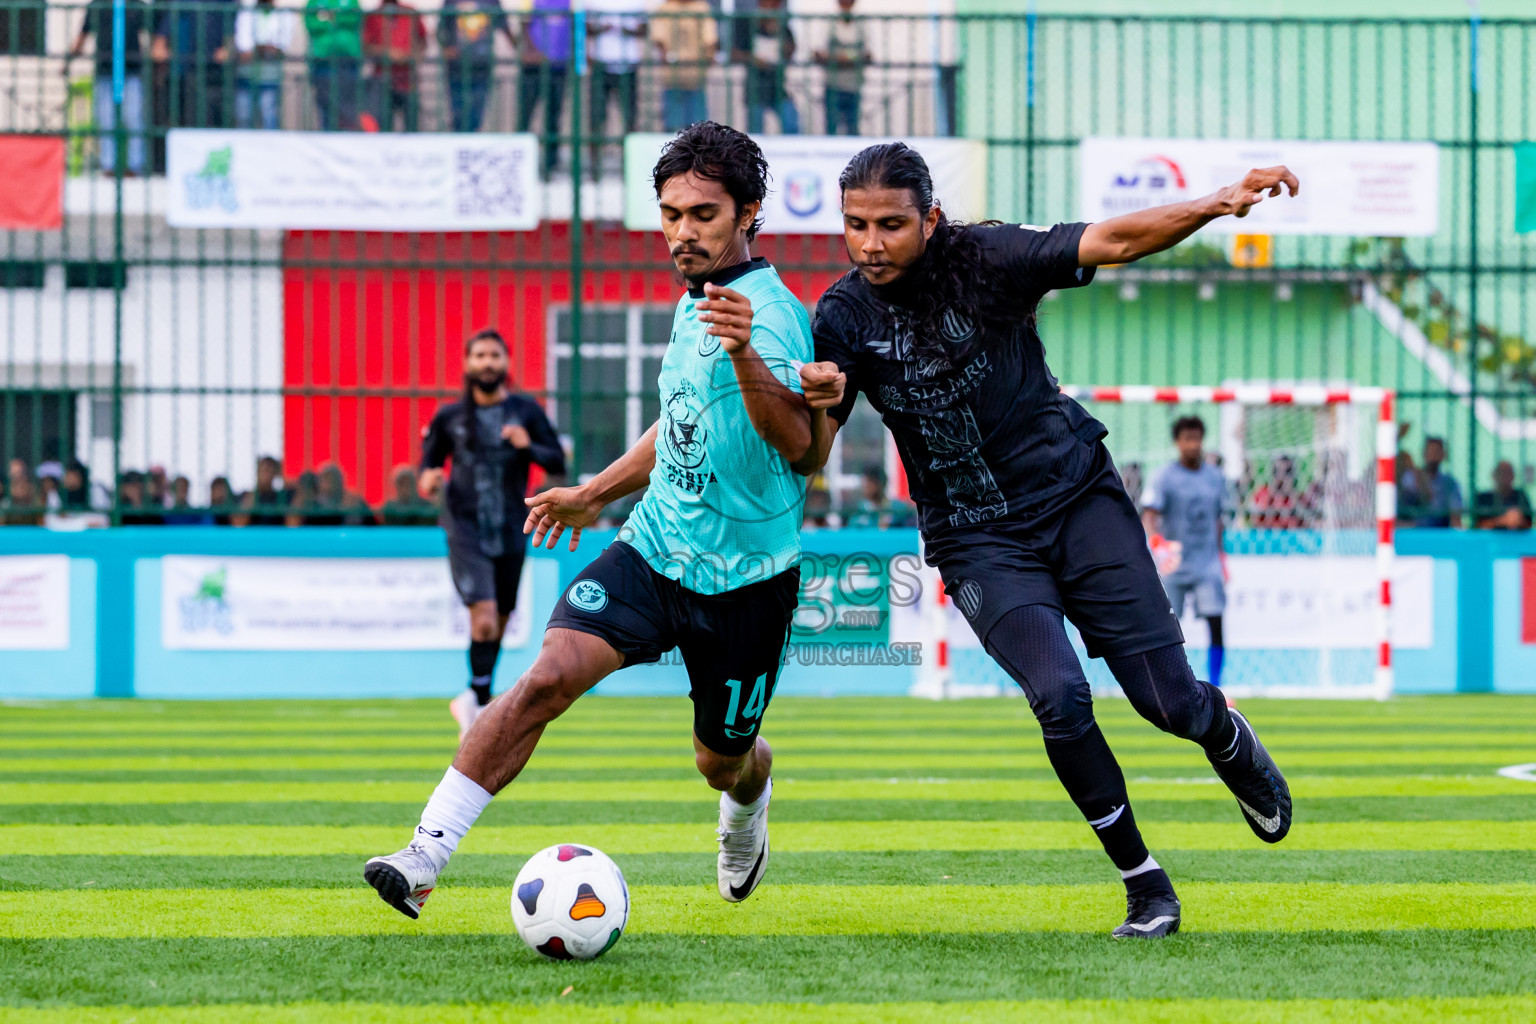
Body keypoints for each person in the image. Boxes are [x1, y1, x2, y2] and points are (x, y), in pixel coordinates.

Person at [796, 142, 1299, 939]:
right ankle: (1145, 887)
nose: (871, 243)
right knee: (1059, 696)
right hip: (976, 538)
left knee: (1166, 702)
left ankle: (1224, 734)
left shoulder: (989, 257)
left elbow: (1110, 240)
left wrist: (1216, 203)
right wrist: (816, 397)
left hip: (1075, 497)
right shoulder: (840, 317)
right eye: (855, 225)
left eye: (891, 224)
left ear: (929, 219)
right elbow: (811, 451)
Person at [365, 122, 813, 922]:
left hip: (748, 583)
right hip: (653, 548)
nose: (682, 232)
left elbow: (798, 448)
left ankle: (749, 802)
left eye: (702, 214)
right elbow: (679, 422)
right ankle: (425, 853)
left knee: (722, 760)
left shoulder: (771, 318)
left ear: (749, 213)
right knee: (545, 678)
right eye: (670, 213)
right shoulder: (694, 302)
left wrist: (746, 354)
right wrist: (597, 491)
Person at [407, 328, 567, 740]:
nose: (487, 363)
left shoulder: (525, 412)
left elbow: (556, 460)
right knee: (482, 622)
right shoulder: (450, 417)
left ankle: (474, 696)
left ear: (506, 363)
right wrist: (427, 479)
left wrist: (527, 444)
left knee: (499, 620)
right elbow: (429, 462)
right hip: (464, 526)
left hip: (512, 523)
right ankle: (477, 704)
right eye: (479, 355)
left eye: (494, 355)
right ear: (467, 364)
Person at [1141, 416, 1230, 691]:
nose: (1193, 445)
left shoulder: (1215, 477)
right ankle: (1168, 683)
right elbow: (1149, 514)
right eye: (1187, 439)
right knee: (1168, 628)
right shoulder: (1164, 477)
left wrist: (1222, 557)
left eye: (1197, 438)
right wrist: (1157, 545)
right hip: (1173, 565)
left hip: (1207, 563)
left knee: (1216, 622)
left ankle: (1217, 687)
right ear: (1177, 442)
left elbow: (1219, 519)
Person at [70, 0, 150, 176]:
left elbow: (150, 35)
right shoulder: (97, 5)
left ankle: (135, 166)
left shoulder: (137, 5)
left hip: (132, 71)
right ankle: (108, 166)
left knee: (134, 119)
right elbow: (83, 36)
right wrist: (68, 61)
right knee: (106, 121)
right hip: (105, 71)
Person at [153, 0, 237, 128]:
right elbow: (159, 44)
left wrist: (228, 47)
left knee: (219, 120)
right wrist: (161, 43)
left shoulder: (226, 3)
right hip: (189, 71)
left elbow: (233, 30)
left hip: (218, 72)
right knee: (190, 119)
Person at [438, 0, 516, 133]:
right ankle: (460, 141)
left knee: (477, 111)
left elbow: (504, 25)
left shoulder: (492, 2)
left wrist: (519, 48)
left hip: (482, 64)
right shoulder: (450, 1)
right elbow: (441, 28)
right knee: (458, 111)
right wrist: (446, 48)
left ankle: (470, 141)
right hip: (457, 66)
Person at [586, 0, 645, 169]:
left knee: (630, 118)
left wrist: (628, 30)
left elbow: (645, 28)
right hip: (601, 63)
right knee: (596, 118)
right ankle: (594, 167)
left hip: (628, 64)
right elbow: (586, 27)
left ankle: (632, 166)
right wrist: (602, 28)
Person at [515, 0, 570, 175]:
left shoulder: (569, 2)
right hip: (534, 67)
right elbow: (523, 25)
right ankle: (519, 160)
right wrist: (531, 52)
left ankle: (550, 165)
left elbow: (574, 27)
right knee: (526, 114)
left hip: (559, 67)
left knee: (553, 117)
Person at [649, 0, 715, 131]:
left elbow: (710, 42)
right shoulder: (665, 8)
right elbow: (660, 42)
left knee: (696, 127)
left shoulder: (701, 7)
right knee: (676, 126)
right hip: (675, 76)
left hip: (692, 76)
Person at [362, 0, 427, 132]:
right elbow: (365, 46)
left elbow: (422, 41)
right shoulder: (373, 15)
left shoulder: (410, 12)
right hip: (382, 79)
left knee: (412, 126)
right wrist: (388, 54)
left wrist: (412, 56)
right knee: (384, 126)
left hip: (408, 79)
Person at [735, 0, 797, 134]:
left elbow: (791, 51)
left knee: (791, 124)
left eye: (773, 5)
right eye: (766, 4)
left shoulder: (783, 27)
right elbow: (735, 53)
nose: (769, 8)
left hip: (778, 86)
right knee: (756, 130)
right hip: (755, 86)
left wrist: (777, 31)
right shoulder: (747, 25)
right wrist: (754, 60)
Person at [233, 0, 295, 130]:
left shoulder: (284, 14)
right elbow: (244, 49)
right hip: (246, 76)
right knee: (244, 119)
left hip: (270, 77)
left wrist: (259, 50)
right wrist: (263, 49)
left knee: (270, 118)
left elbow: (281, 47)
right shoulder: (247, 13)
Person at [305, 0, 363, 130]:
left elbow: (354, 19)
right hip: (322, 61)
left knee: (348, 108)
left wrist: (329, 17)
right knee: (325, 105)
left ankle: (347, 140)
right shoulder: (313, 2)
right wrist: (338, 18)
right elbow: (312, 24)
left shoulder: (352, 2)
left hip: (348, 60)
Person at [815, 0, 866, 136]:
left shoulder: (862, 24)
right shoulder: (829, 23)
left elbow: (869, 54)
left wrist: (843, 59)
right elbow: (818, 53)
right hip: (833, 84)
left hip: (854, 84)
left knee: (852, 126)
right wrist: (844, 59)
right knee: (831, 127)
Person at [1399, 436, 1464, 529]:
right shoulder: (1410, 477)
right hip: (1412, 529)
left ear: (1443, 455)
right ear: (1423, 453)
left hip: (1438, 530)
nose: (1433, 456)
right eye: (1430, 452)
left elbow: (1456, 517)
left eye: (1437, 452)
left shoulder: (1450, 483)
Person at [846, 464, 915, 529]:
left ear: (880, 484)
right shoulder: (860, 510)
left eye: (869, 483)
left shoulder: (897, 508)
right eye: (865, 483)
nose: (866, 487)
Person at [1474, 461, 1533, 531]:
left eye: (1508, 473)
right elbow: (1477, 526)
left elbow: (1529, 525)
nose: (1505, 476)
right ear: (1494, 475)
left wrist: (1518, 521)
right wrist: (1502, 520)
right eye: (1502, 473)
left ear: (1513, 476)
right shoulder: (1483, 497)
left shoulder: (1521, 496)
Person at [233, 454, 288, 526]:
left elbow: (292, 524)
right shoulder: (245, 496)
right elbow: (239, 523)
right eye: (264, 470)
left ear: (276, 473)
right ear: (257, 472)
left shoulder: (282, 497)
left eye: (270, 470)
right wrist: (257, 489)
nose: (266, 475)